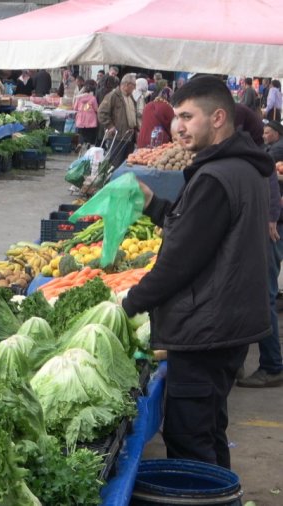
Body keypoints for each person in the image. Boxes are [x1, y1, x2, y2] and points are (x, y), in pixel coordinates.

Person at [121, 76, 273, 468]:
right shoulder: (243, 168)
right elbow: (200, 231)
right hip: (229, 325)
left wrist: (129, 303)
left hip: (207, 328)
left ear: (218, 117)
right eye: (176, 118)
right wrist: (155, 205)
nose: (178, 127)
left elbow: (179, 261)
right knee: (208, 431)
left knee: (190, 440)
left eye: (188, 117)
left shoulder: (216, 177)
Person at [236, 118, 283, 388]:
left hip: (267, 237)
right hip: (262, 234)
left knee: (262, 300)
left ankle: (272, 366)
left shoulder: (256, 158)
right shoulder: (256, 157)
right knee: (249, 298)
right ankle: (237, 363)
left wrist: (271, 217)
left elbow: (270, 194)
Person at [98, 73, 138, 165]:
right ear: (126, 85)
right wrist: (110, 126)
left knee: (126, 163)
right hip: (117, 136)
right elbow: (102, 112)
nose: (134, 88)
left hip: (129, 136)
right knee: (115, 163)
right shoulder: (113, 96)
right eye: (133, 86)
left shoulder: (130, 97)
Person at [73, 80, 100, 146]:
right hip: (90, 118)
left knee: (81, 133)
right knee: (90, 133)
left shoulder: (78, 98)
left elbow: (75, 108)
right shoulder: (92, 98)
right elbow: (96, 109)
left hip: (81, 118)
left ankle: (80, 144)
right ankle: (88, 143)